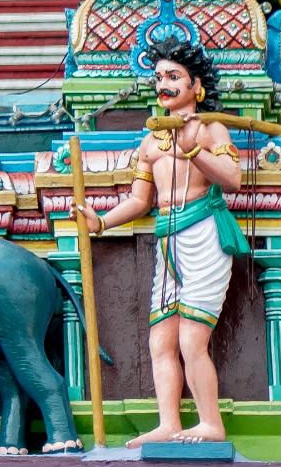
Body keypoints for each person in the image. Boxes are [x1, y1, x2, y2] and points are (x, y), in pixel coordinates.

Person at [84, 37, 247, 443]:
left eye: (174, 76)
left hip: (204, 234)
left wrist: (194, 152)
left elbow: (233, 180)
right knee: (161, 339)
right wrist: (101, 222)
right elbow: (140, 200)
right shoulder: (150, 141)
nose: (164, 85)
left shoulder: (211, 128)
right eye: (159, 77)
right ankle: (169, 422)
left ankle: (211, 423)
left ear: (197, 85)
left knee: (194, 338)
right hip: (167, 242)